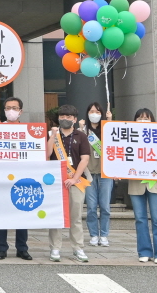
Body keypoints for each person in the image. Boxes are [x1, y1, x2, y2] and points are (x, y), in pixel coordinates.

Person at [47, 104, 91, 263]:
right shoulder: (52, 134)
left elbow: (85, 159)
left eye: (68, 117)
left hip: (76, 181)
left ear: (74, 119)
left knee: (76, 216)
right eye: (62, 117)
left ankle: (78, 247)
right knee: (56, 216)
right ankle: (55, 248)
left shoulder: (81, 136)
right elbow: (47, 154)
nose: (64, 119)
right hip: (56, 181)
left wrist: (74, 178)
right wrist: (53, 136)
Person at [0, 96, 32, 261]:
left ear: (20, 111)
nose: (11, 111)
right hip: (2, 178)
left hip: (22, 178)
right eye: (8, 108)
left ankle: (22, 248)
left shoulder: (28, 130)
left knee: (22, 214)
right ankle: (1, 248)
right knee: (2, 215)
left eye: (14, 108)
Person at [128, 108, 157, 264]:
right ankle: (144, 251)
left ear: (152, 121)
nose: (142, 121)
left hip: (156, 183)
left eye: (146, 118)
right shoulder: (128, 138)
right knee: (140, 219)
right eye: (139, 118)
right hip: (135, 184)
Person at [81, 102, 114, 248]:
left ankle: (104, 235)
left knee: (105, 207)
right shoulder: (83, 131)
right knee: (91, 207)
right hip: (88, 173)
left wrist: (109, 120)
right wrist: (81, 129)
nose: (94, 114)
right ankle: (94, 234)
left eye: (98, 112)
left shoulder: (107, 129)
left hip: (105, 173)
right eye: (92, 111)